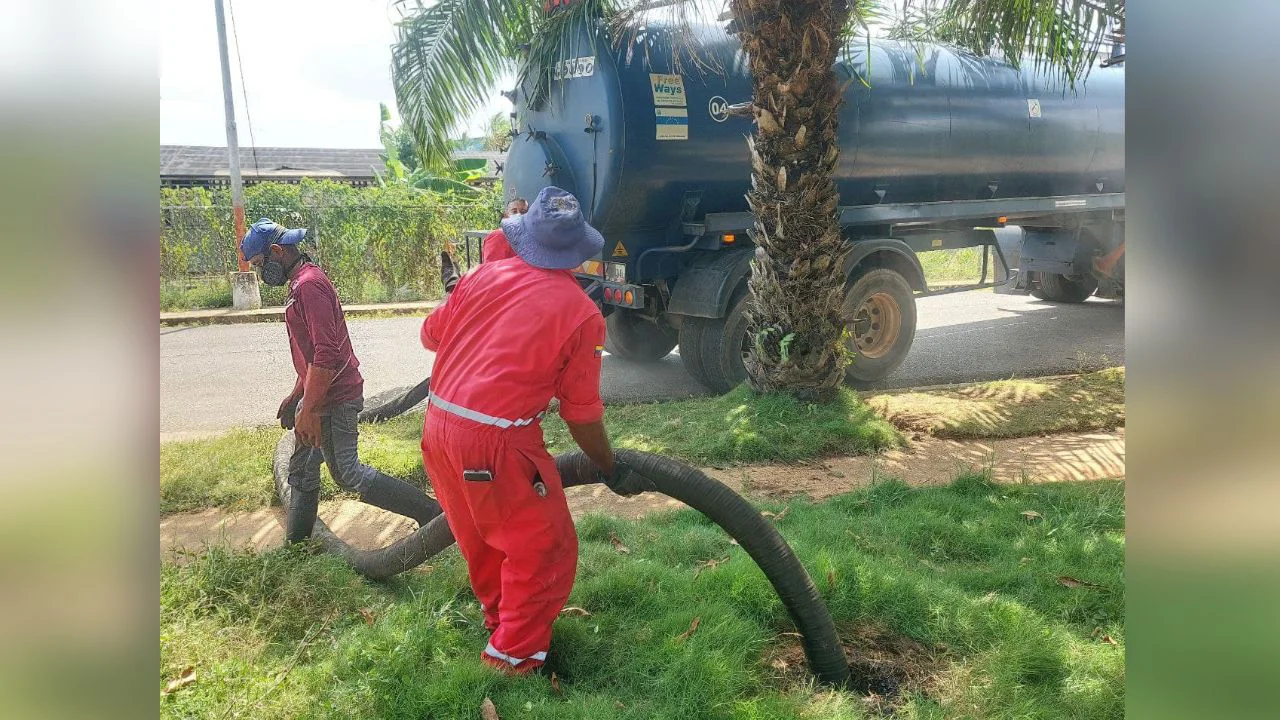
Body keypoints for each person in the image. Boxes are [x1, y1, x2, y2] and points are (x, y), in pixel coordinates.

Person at [419, 187, 643, 675]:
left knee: (482, 537)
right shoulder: (580, 313)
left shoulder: (482, 276)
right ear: (576, 251)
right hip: (495, 444)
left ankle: (501, 624)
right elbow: (580, 413)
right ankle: (511, 662)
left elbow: (430, 334)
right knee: (545, 548)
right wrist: (608, 465)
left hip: (438, 430)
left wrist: (494, 259)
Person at [239, 218, 441, 543]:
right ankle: (298, 545)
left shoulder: (309, 286)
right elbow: (310, 355)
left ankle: (432, 514)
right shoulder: (300, 284)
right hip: (321, 395)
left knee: (347, 471)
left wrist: (311, 410)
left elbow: (327, 356)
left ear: (277, 251)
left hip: (335, 398)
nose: (263, 274)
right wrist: (297, 395)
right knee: (303, 469)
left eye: (262, 264)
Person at [439, 197, 528, 294]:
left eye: (523, 211)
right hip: (506, 287)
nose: (519, 214)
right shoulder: (500, 236)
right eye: (514, 211)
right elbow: (492, 272)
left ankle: (453, 282)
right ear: (506, 215)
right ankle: (453, 285)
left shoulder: (534, 237)